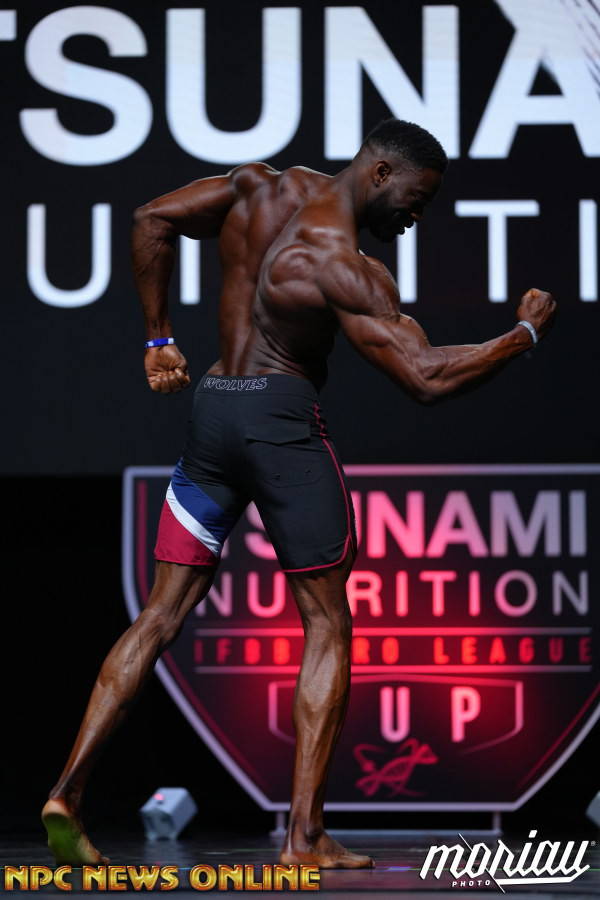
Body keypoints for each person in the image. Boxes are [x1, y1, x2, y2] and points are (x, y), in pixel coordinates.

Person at [42, 118, 556, 870]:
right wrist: (522, 335)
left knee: (159, 614)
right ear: (381, 173)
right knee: (326, 622)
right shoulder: (346, 266)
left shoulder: (259, 186)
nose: (415, 218)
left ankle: (66, 792)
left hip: (212, 413)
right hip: (279, 426)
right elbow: (426, 378)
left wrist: (158, 336)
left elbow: (151, 217)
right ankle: (304, 838)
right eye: (415, 200)